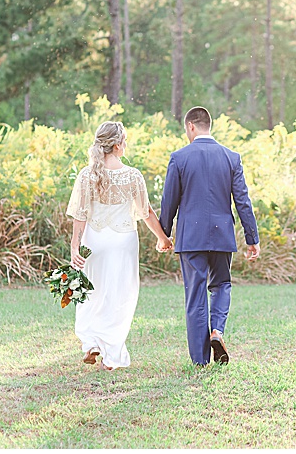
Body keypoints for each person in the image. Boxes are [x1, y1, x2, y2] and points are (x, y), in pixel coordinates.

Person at [66, 121, 173, 371]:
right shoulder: (132, 175)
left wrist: (74, 248)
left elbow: (80, 215)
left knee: (91, 291)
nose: (126, 145)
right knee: (120, 295)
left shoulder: (87, 174)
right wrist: (162, 238)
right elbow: (145, 212)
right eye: (124, 140)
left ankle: (91, 342)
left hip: (94, 241)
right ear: (116, 145)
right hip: (123, 241)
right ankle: (111, 356)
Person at [160, 106, 260, 366]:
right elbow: (243, 202)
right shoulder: (231, 157)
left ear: (191, 126)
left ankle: (200, 360)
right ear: (208, 125)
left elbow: (168, 201)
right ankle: (217, 330)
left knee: (195, 294)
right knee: (222, 285)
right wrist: (252, 238)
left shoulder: (179, 158)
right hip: (221, 234)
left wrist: (164, 234)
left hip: (190, 236)